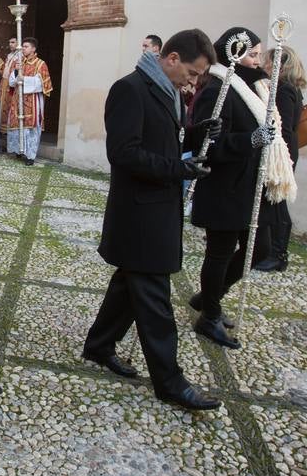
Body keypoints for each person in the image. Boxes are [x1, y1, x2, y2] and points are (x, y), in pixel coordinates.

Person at [82, 29, 221, 411]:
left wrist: (194, 133)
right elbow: (124, 153)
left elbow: (163, 138)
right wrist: (179, 168)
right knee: (155, 300)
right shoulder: (130, 89)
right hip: (139, 213)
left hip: (158, 208)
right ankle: (169, 381)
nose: (193, 82)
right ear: (172, 58)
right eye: (192, 73)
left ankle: (98, 346)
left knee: (129, 285)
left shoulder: (170, 91)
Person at [185, 26, 274, 350]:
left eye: (258, 54)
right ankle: (209, 316)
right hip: (224, 186)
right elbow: (209, 144)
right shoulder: (218, 90)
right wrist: (250, 140)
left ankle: (210, 296)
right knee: (219, 253)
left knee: (261, 248)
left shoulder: (252, 91)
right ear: (234, 55)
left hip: (249, 187)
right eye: (252, 54)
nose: (257, 61)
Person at [254, 45, 305, 273]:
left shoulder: (284, 89)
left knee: (277, 201)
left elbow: (281, 126)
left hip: (281, 151)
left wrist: (276, 154)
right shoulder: (288, 87)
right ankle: (273, 252)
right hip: (284, 150)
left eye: (268, 61)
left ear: (278, 65)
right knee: (275, 199)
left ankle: (278, 254)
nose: (264, 64)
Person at [4, 38, 53, 165]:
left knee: (30, 128)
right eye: (23, 46)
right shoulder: (19, 63)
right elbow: (11, 81)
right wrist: (16, 73)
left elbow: (41, 84)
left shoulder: (40, 64)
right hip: (17, 99)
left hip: (32, 100)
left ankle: (30, 156)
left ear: (33, 48)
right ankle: (19, 150)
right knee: (17, 124)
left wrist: (24, 79)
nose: (23, 49)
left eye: (26, 46)